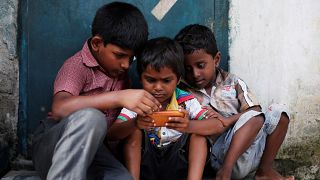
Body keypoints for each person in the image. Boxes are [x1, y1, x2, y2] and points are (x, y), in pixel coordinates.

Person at [31, 2, 162, 180]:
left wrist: (136, 123)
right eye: (119, 55)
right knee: (92, 117)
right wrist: (118, 97)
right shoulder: (77, 66)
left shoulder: (122, 77)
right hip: (53, 150)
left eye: (131, 58)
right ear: (97, 43)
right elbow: (60, 108)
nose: (126, 64)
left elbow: (107, 133)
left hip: (93, 153)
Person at [174, 24, 294, 180]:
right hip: (220, 154)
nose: (195, 74)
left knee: (279, 112)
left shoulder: (233, 81)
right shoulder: (183, 92)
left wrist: (226, 120)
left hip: (250, 149)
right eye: (187, 68)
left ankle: (264, 171)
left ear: (216, 59)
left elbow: (255, 111)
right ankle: (225, 171)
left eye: (200, 66)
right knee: (252, 118)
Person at [108, 37, 223, 180]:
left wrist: (189, 126)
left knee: (198, 135)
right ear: (141, 77)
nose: (158, 87)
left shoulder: (186, 101)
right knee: (134, 132)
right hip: (146, 163)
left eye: (166, 81)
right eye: (150, 80)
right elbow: (112, 134)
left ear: (178, 79)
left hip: (178, 164)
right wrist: (135, 123)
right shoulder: (136, 101)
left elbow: (218, 126)